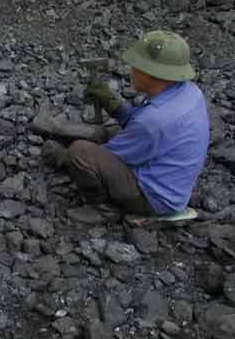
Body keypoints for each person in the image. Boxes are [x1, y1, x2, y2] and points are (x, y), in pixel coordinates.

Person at [43, 30, 209, 216]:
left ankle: (103, 207)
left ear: (153, 74)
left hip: (154, 199)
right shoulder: (188, 91)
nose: (130, 70)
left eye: (136, 66)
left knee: (80, 152)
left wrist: (64, 158)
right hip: (171, 180)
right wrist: (111, 102)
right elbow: (139, 123)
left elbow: (115, 153)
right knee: (108, 133)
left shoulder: (154, 121)